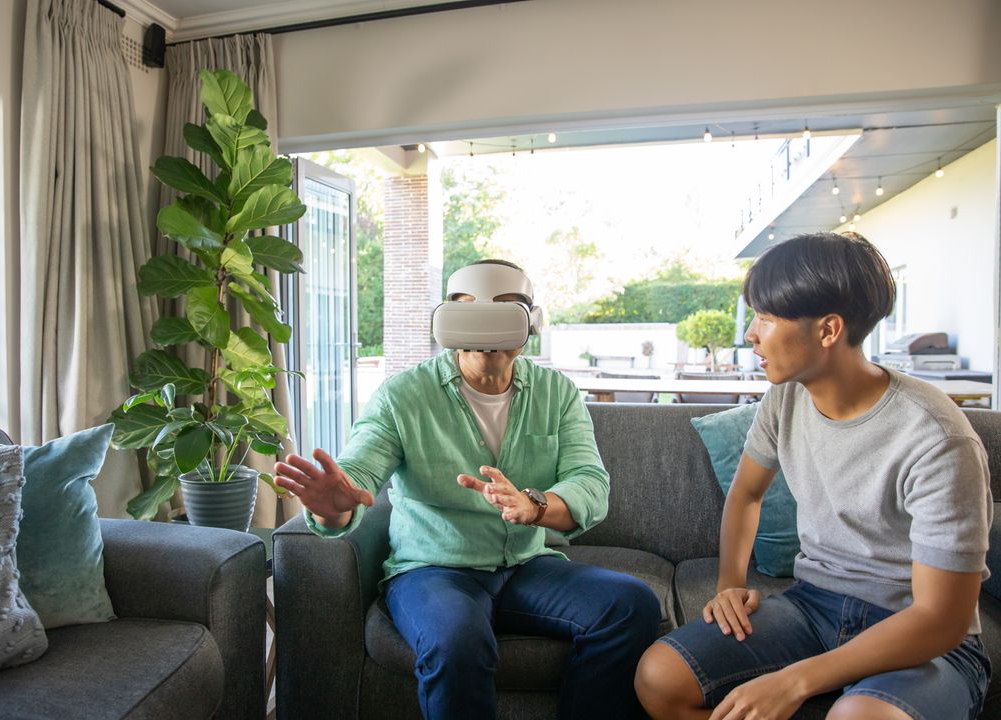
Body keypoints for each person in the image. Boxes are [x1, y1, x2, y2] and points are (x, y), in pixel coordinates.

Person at [274, 259, 661, 720]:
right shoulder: (403, 394)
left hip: (525, 566)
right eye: (468, 308)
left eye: (505, 309)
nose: (486, 324)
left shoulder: (557, 393)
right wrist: (334, 508)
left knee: (631, 605)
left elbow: (590, 483)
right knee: (456, 639)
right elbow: (359, 470)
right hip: (433, 570)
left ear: (531, 322)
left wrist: (535, 506)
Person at [634, 232, 992, 720]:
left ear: (828, 330)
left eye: (766, 317)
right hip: (815, 605)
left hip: (920, 634)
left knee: (858, 717)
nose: (750, 334)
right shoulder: (785, 399)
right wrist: (728, 584)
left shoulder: (937, 437)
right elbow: (745, 495)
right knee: (658, 678)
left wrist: (795, 680)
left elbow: (941, 619)